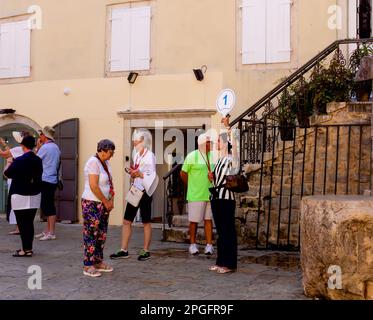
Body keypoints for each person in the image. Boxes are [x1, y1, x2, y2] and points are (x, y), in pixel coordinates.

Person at [110, 129, 157, 261]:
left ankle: (146, 250)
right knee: (126, 221)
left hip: (145, 191)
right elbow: (138, 172)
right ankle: (123, 250)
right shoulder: (136, 155)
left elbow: (151, 176)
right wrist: (133, 173)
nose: (135, 143)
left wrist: (139, 174)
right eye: (134, 141)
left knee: (146, 221)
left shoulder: (150, 156)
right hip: (135, 189)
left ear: (144, 142)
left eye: (137, 141)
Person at [208, 117, 240, 274]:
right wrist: (212, 177)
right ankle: (220, 261)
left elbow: (235, 147)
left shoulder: (231, 159)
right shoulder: (219, 160)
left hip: (227, 199)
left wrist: (228, 128)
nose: (216, 144)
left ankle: (229, 264)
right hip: (216, 198)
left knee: (227, 231)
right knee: (220, 231)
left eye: (219, 142)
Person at [4, 135, 43, 257]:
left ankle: (24, 249)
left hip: (20, 195)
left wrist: (9, 162)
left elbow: (7, 174)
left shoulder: (20, 160)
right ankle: (28, 248)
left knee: (22, 224)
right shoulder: (38, 160)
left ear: (23, 146)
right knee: (29, 223)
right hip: (34, 194)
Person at [81, 139, 115, 277]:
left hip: (103, 203)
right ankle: (88, 265)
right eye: (110, 152)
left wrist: (110, 200)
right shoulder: (93, 162)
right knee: (91, 233)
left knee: (101, 234)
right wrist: (105, 201)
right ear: (102, 150)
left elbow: (110, 183)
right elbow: (94, 185)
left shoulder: (106, 163)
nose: (112, 155)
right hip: (92, 203)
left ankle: (98, 261)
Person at [180, 133, 214, 255]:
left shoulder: (213, 156)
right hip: (195, 195)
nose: (211, 144)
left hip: (209, 194)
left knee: (208, 220)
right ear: (202, 144)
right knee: (193, 221)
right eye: (209, 142)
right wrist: (192, 185)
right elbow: (183, 173)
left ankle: (209, 245)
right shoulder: (192, 156)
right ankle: (192, 245)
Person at [34, 126, 61, 241]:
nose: (39, 137)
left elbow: (35, 160)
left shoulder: (45, 148)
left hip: (46, 179)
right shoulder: (55, 147)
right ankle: (47, 230)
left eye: (41, 135)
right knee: (47, 205)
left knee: (48, 206)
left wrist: (38, 147)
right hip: (52, 179)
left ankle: (51, 232)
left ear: (44, 136)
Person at [0, 131, 29, 235]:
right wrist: (3, 144)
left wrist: (2, 147)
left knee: (15, 204)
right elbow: (9, 153)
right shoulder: (22, 150)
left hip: (14, 180)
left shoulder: (18, 149)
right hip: (22, 180)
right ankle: (20, 227)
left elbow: (4, 154)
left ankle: (18, 228)